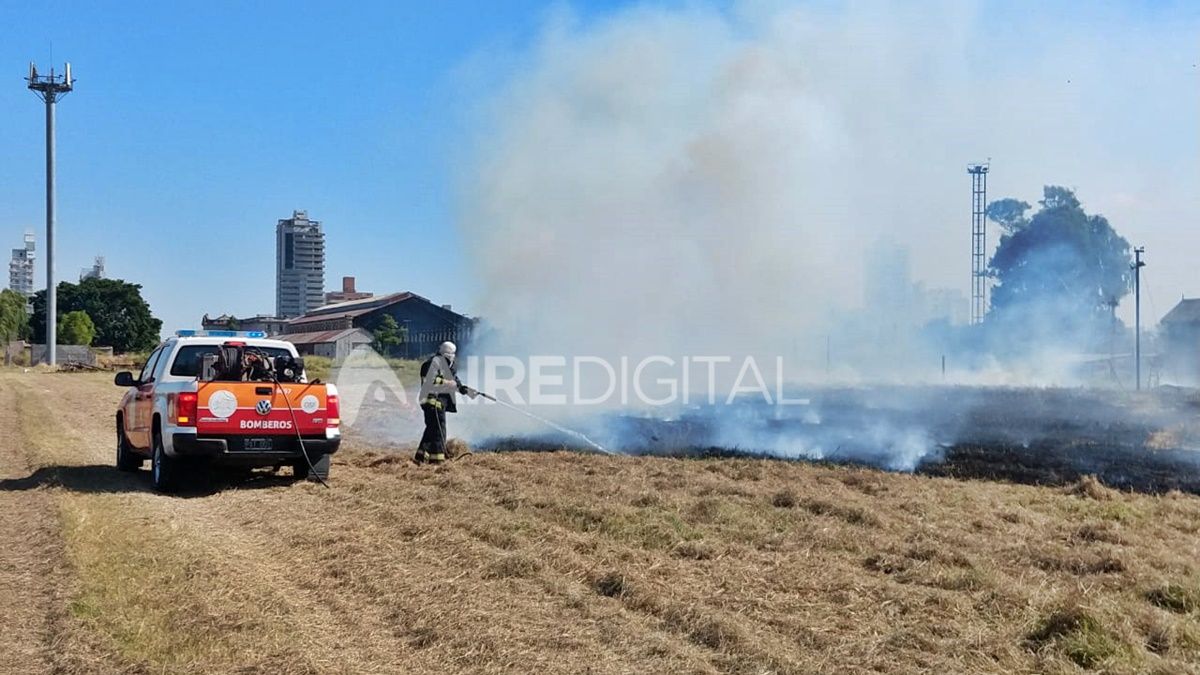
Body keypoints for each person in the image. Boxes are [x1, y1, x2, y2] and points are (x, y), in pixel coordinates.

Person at [415, 341, 477, 464]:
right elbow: (430, 380)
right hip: (433, 401)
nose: (453, 357)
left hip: (438, 403)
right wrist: (447, 383)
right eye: (452, 354)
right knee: (439, 433)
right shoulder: (432, 363)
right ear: (447, 354)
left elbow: (454, 380)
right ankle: (437, 461)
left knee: (431, 431)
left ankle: (420, 457)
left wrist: (464, 389)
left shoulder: (446, 366)